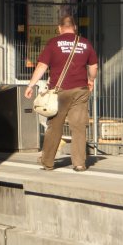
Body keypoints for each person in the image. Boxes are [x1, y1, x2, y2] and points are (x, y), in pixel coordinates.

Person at [23, 14, 98, 171]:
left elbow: (42, 66)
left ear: (59, 28)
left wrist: (31, 85)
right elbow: (94, 66)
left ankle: (48, 162)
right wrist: (91, 80)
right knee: (78, 127)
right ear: (75, 27)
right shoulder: (85, 43)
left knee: (54, 127)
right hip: (80, 90)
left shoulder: (53, 43)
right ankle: (79, 163)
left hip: (59, 92)